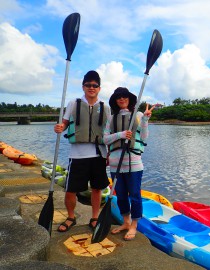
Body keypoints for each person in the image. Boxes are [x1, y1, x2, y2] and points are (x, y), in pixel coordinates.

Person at [54, 70, 111, 232]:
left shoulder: (105, 107)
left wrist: (110, 153)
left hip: (98, 154)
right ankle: (71, 217)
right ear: (83, 87)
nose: (91, 88)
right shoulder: (74, 103)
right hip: (77, 155)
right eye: (88, 85)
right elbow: (64, 123)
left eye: (95, 85)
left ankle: (94, 217)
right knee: (71, 189)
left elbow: (109, 131)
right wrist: (60, 127)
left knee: (97, 188)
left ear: (99, 88)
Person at [103, 87, 155, 241]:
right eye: (118, 97)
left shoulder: (138, 115)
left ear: (130, 99)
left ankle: (134, 224)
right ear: (115, 101)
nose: (122, 99)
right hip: (115, 164)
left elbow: (144, 137)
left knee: (135, 195)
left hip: (133, 163)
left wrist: (145, 120)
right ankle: (125, 222)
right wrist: (121, 134)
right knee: (121, 196)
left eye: (124, 96)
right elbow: (105, 139)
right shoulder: (111, 119)